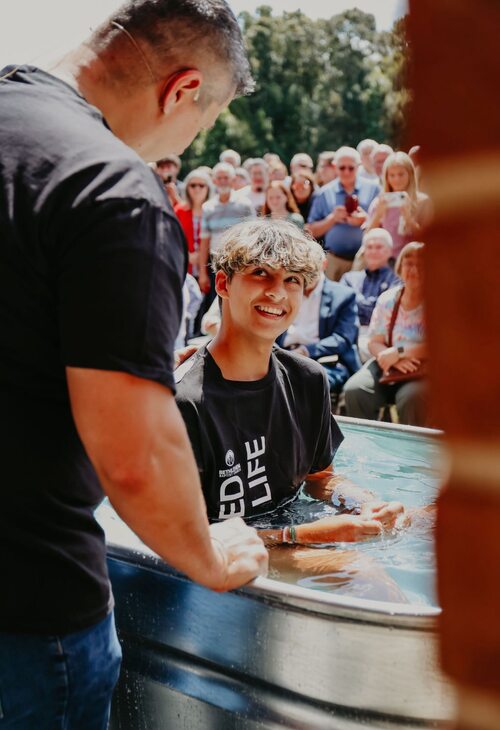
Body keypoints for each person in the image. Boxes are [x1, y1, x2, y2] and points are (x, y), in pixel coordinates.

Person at [0, 1, 268, 728]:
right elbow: (134, 455)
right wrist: (209, 556)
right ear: (183, 90)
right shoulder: (112, 190)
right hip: (27, 611)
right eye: (202, 123)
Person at [175, 219, 404, 551]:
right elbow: (185, 540)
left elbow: (320, 478)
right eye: (260, 273)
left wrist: (366, 505)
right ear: (223, 283)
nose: (278, 292)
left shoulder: (307, 379)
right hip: (227, 562)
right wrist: (301, 536)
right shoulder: (183, 401)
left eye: (292, 279)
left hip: (286, 536)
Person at [344, 242, 427, 426]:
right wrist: (391, 358)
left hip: (423, 368)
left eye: (421, 264)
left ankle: (410, 444)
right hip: (387, 362)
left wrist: (399, 352)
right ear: (400, 267)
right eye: (409, 264)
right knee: (355, 390)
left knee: (411, 397)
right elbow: (374, 341)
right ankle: (365, 442)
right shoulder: (388, 299)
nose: (414, 270)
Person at [278, 265, 361, 397]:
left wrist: (305, 351)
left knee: (303, 382)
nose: (306, 271)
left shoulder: (344, 295)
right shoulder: (284, 291)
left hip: (325, 361)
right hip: (283, 356)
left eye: (311, 265)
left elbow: (343, 338)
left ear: (324, 264)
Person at [306, 146, 380, 281]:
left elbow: (385, 224)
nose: (346, 172)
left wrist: (365, 220)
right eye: (342, 168)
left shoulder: (374, 189)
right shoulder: (324, 193)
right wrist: (332, 219)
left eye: (351, 168)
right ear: (335, 167)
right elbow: (310, 230)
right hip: (334, 261)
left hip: (366, 259)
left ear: (359, 166)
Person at [198, 162, 255, 308]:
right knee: (216, 305)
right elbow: (204, 242)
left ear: (233, 179)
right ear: (214, 180)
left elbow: (253, 236)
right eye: (220, 178)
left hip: (239, 262)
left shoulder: (245, 204)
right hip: (215, 263)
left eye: (226, 178)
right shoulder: (208, 207)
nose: (223, 181)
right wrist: (202, 273)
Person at [341, 228, 401, 361]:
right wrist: (377, 303)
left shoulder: (397, 280)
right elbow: (342, 310)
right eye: (369, 247)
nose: (373, 251)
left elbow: (389, 310)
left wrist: (357, 301)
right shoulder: (349, 278)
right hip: (350, 333)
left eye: (379, 247)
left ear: (389, 251)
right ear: (364, 251)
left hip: (381, 338)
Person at [365, 151, 432, 262]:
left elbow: (428, 239)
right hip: (385, 262)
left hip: (411, 261)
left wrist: (408, 219)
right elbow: (367, 237)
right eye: (392, 175)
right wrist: (378, 215)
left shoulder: (423, 201)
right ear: (386, 177)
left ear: (410, 174)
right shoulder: (379, 202)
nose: (397, 179)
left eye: (401, 174)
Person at [174, 168, 212, 277]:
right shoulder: (179, 211)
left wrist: (202, 255)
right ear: (187, 188)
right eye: (193, 185)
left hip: (209, 269)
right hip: (184, 269)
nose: (197, 189)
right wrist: (187, 255)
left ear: (208, 188)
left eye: (201, 185)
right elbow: (172, 238)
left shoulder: (214, 210)